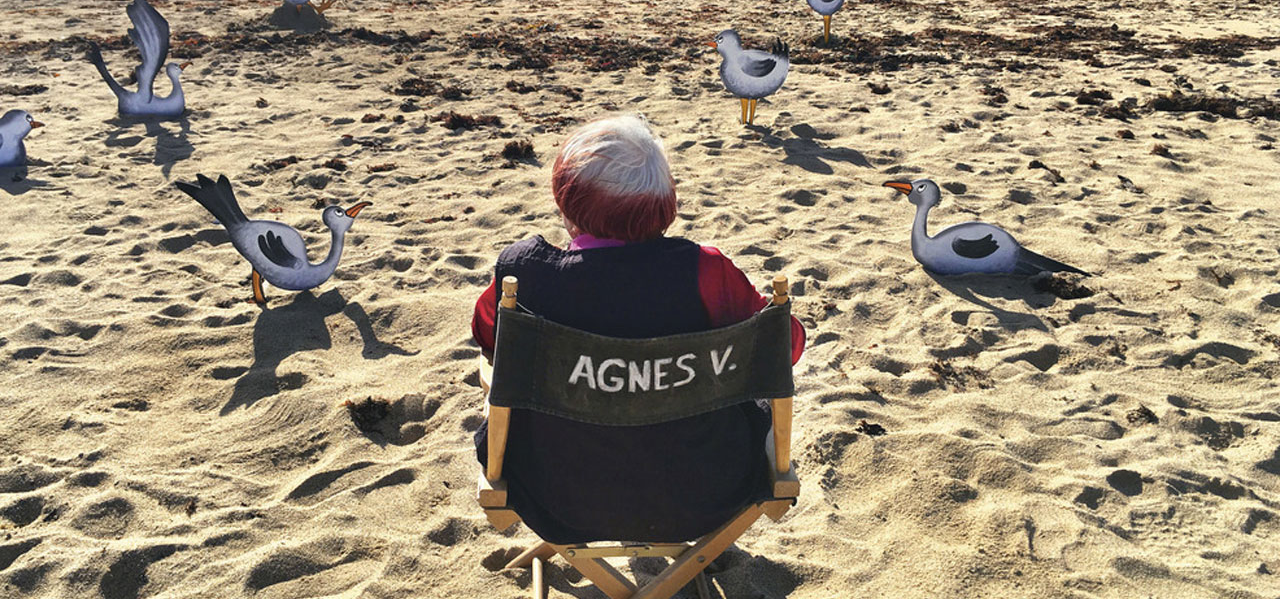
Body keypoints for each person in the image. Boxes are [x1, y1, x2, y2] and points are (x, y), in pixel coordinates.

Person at [471, 114, 805, 544]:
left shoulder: (526, 275)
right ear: (665, 205)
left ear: (567, 203)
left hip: (555, 496)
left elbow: (488, 337)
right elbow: (784, 346)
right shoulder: (707, 273)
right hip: (705, 495)